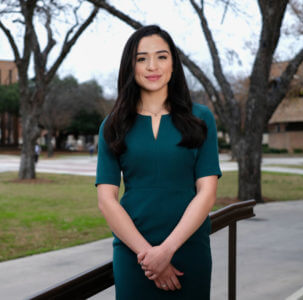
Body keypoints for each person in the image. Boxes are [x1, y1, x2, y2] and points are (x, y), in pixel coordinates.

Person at [95, 25, 222, 299]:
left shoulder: (200, 119)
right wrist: (149, 256)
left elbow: (207, 193)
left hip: (189, 249)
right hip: (134, 254)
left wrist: (166, 251)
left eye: (161, 56)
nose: (152, 66)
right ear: (131, 66)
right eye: (142, 58)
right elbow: (106, 200)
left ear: (174, 64)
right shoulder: (113, 125)